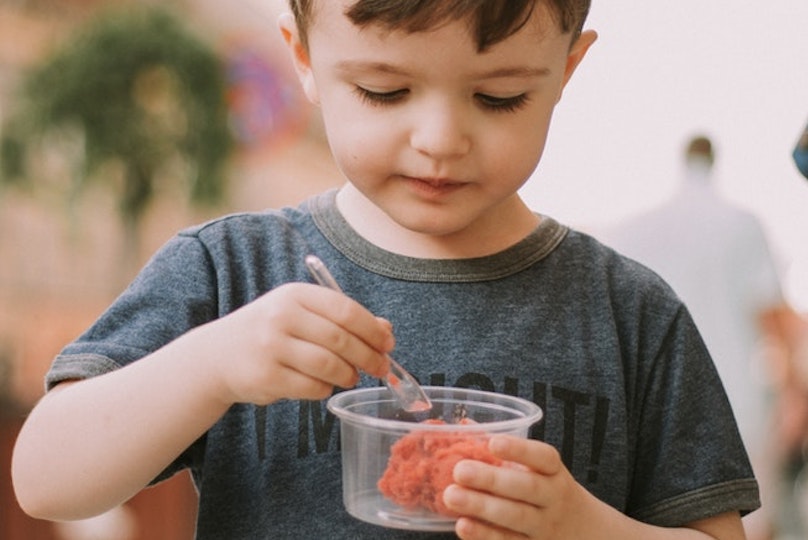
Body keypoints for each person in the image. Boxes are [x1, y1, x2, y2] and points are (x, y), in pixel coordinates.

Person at [11, 2, 758, 538]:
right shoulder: (231, 272)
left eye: (499, 97)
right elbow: (45, 480)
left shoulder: (631, 312)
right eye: (385, 91)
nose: (439, 139)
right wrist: (212, 364)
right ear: (303, 57)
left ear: (568, 68)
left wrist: (583, 529)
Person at [602, 135, 785, 540]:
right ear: (714, 161)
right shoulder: (741, 224)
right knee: (750, 525)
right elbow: (773, 318)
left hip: (649, 402)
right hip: (736, 397)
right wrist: (794, 395)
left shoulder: (634, 229)